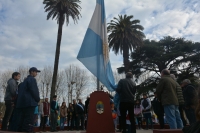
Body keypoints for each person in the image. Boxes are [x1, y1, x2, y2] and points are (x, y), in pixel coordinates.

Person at [16, 67, 40, 132]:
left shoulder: (23, 82)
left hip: (22, 104)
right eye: (35, 72)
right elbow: (34, 90)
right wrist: (37, 99)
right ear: (31, 72)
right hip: (30, 103)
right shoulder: (32, 79)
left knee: (22, 120)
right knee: (29, 121)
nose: (36, 73)